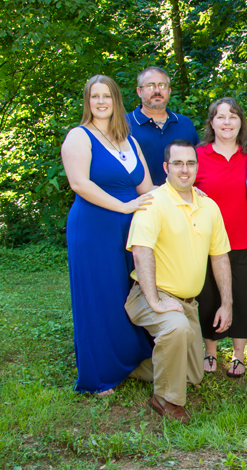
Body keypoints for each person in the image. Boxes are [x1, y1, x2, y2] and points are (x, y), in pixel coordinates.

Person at [125, 139, 233, 424]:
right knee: (175, 328)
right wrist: (155, 301)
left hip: (188, 304)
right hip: (150, 294)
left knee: (194, 375)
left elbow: (220, 256)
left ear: (197, 167)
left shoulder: (209, 206)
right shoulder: (153, 202)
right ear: (166, 167)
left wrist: (227, 303)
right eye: (177, 163)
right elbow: (141, 250)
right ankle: (166, 399)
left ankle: (129, 367)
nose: (184, 170)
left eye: (190, 163)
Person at [61, 74, 154, 396]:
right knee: (99, 296)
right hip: (94, 227)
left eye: (107, 96)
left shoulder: (128, 139)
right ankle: (99, 373)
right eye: (94, 96)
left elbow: (147, 188)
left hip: (130, 228)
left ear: (116, 100)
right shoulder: (79, 136)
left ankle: (131, 358)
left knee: (127, 291)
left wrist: (188, 198)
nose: (101, 102)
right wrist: (124, 207)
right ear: (88, 101)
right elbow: (79, 184)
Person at [194, 97, 247, 377]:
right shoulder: (198, 155)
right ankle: (210, 351)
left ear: (241, 122)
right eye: (221, 117)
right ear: (212, 122)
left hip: (245, 238)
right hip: (206, 242)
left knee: (243, 296)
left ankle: (238, 354)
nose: (227, 122)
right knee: (208, 296)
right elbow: (180, 187)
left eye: (233, 116)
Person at [126, 66, 199, 185]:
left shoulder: (184, 123)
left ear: (169, 91)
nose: (157, 91)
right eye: (150, 86)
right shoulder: (124, 124)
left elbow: (198, 164)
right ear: (139, 91)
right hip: (139, 200)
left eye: (162, 85)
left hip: (180, 199)